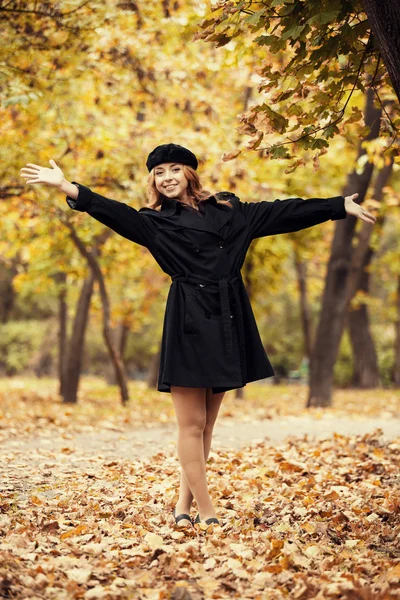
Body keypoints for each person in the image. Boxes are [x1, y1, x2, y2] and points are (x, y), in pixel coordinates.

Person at [20, 143, 377, 529]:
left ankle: (182, 504)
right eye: (158, 172)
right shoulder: (154, 222)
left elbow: (282, 212)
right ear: (153, 181)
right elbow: (113, 212)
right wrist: (69, 188)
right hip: (189, 319)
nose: (167, 177)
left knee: (206, 425)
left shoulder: (230, 211)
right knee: (190, 425)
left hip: (228, 317)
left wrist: (337, 206)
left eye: (174, 169)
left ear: (190, 172)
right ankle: (206, 513)